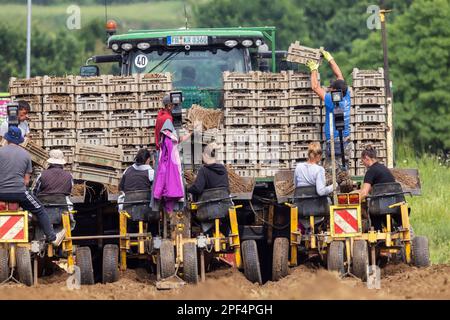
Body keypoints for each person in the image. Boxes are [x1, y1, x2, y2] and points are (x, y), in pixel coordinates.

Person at [0, 127, 65, 246]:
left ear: (7, 138)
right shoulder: (25, 155)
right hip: (20, 193)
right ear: (19, 140)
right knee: (40, 210)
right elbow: (26, 181)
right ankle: (52, 237)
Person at [306, 48, 352, 165]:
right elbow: (339, 76)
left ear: (336, 91)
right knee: (344, 168)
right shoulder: (346, 94)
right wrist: (330, 59)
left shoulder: (331, 101)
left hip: (334, 141)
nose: (329, 89)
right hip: (346, 140)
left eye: (331, 88)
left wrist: (314, 70)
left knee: (332, 172)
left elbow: (315, 87)